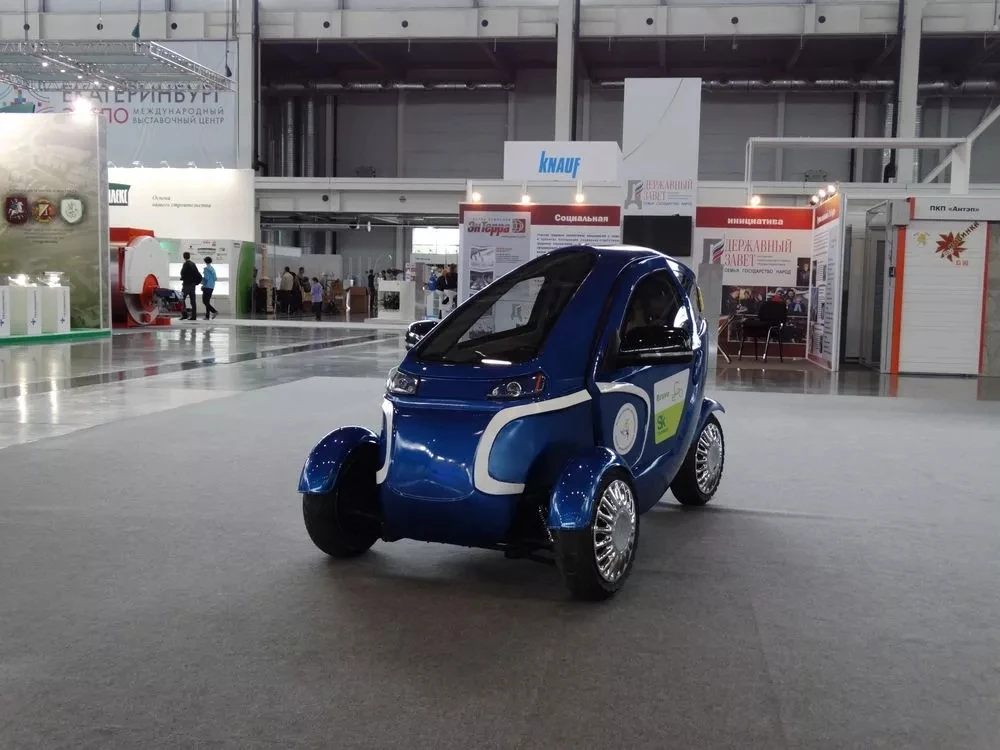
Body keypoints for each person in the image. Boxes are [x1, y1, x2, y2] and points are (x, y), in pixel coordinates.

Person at [179, 251, 202, 321]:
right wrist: (196, 283)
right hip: (192, 285)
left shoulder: (185, 264)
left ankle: (184, 315)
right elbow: (198, 274)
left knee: (181, 299)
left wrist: (182, 278)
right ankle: (194, 316)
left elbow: (182, 273)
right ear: (189, 256)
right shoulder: (193, 264)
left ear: (184, 257)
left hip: (186, 285)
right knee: (193, 301)